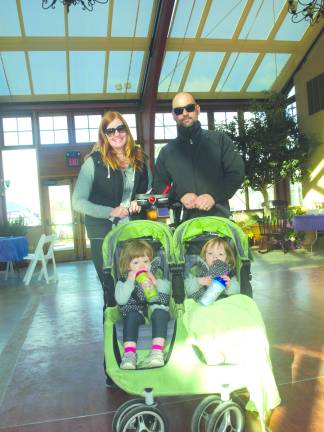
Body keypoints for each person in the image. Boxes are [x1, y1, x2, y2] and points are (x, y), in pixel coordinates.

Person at [72, 112, 150, 305]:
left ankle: (136, 326)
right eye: (110, 130)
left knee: (138, 281)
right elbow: (78, 202)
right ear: (104, 136)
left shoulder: (140, 159)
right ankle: (113, 329)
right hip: (102, 234)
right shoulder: (93, 163)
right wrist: (109, 211)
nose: (116, 134)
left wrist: (140, 202)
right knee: (110, 285)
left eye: (120, 128)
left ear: (126, 130)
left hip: (132, 231)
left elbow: (150, 194)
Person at [152, 92, 245, 220]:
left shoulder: (220, 140)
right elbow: (159, 184)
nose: (185, 113)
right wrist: (180, 196)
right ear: (173, 115)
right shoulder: (167, 152)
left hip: (219, 219)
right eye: (179, 111)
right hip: (184, 223)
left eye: (189, 108)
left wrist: (214, 196)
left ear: (197, 109)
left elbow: (236, 173)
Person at [115, 239, 171, 370]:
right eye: (136, 262)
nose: (141, 266)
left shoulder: (155, 275)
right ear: (128, 265)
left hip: (153, 309)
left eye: (145, 262)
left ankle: (157, 352)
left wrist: (156, 282)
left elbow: (167, 291)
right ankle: (129, 354)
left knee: (161, 313)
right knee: (131, 317)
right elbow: (121, 300)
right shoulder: (123, 281)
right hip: (136, 312)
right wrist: (130, 281)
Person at [185, 237, 240, 302]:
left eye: (220, 254)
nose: (215, 256)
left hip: (223, 305)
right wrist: (198, 282)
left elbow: (238, 291)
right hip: (201, 305)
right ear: (205, 256)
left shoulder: (229, 274)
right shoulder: (197, 270)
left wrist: (229, 286)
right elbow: (187, 289)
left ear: (227, 258)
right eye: (210, 253)